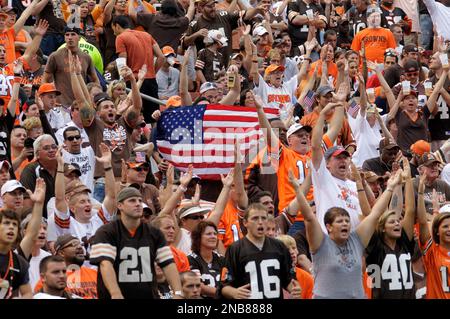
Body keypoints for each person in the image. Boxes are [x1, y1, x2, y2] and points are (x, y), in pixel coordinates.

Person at [297, 164, 403, 298]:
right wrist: (297, 190)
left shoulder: (356, 239)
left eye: (347, 221)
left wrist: (390, 188)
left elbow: (375, 214)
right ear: (328, 227)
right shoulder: (321, 243)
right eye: (340, 221)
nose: (345, 224)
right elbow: (309, 218)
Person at [89, 187, 183, 299]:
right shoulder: (107, 232)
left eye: (139, 200)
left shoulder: (154, 233)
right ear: (119, 205)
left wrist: (178, 293)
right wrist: (115, 294)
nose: (138, 204)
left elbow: (168, 264)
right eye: (132, 200)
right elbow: (105, 264)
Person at [220, 203, 301, 299]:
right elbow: (224, 286)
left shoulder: (279, 246)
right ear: (245, 223)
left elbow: (288, 280)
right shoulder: (235, 249)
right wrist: (234, 292)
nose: (260, 222)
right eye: (255, 218)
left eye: (263, 218)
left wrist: (295, 289)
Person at [365, 157, 417, 299]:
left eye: (397, 221)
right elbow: (373, 215)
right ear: (381, 228)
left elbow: (411, 210)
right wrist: (390, 188)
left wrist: (407, 180)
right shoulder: (375, 247)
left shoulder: (404, 243)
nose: (397, 223)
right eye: (391, 222)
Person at [49, 143, 115, 244]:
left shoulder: (99, 220)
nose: (88, 204)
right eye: (82, 202)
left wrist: (108, 165)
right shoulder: (67, 224)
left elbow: (111, 196)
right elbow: (59, 198)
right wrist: (60, 167)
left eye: (88, 201)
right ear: (72, 208)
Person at [112, 15, 165, 123]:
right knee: (153, 118)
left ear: (116, 26)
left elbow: (122, 64)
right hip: (151, 81)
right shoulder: (147, 35)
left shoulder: (120, 37)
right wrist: (152, 72)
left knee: (132, 118)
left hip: (133, 82)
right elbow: (161, 57)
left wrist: (122, 80)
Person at [43, 26, 99, 108]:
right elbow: (45, 78)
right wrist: (49, 97)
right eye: (67, 35)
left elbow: (95, 80)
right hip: (61, 105)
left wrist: (94, 96)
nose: (70, 37)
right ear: (64, 38)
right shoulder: (55, 56)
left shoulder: (86, 57)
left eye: (73, 34)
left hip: (81, 105)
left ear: (79, 37)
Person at [417, 173, 450, 299]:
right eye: (446, 226)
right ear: (436, 230)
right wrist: (420, 192)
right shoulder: (433, 251)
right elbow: (422, 221)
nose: (449, 230)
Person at [34, 234, 98, 299]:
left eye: (81, 245)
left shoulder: (95, 274)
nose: (80, 247)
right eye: (74, 244)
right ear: (62, 253)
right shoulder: (48, 280)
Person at [20, 134, 58, 218]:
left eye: (54, 146)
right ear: (37, 154)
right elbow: (27, 206)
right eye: (46, 148)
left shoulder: (65, 167)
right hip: (41, 222)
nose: (51, 150)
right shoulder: (30, 170)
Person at [188, 221, 225, 299]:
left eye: (215, 234)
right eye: (208, 234)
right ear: (198, 237)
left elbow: (228, 283)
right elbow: (198, 286)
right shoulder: (191, 259)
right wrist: (223, 293)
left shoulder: (222, 260)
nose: (213, 236)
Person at [0, 210, 32, 299]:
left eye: (14, 224)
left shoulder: (20, 262)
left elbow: (27, 293)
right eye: (6, 223)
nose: (11, 227)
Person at [61, 126, 95, 192]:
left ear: (81, 139)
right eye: (71, 138)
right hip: (73, 197)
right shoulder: (63, 156)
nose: (75, 140)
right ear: (64, 142)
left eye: (77, 137)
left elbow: (98, 133)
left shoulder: (90, 152)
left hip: (91, 196)